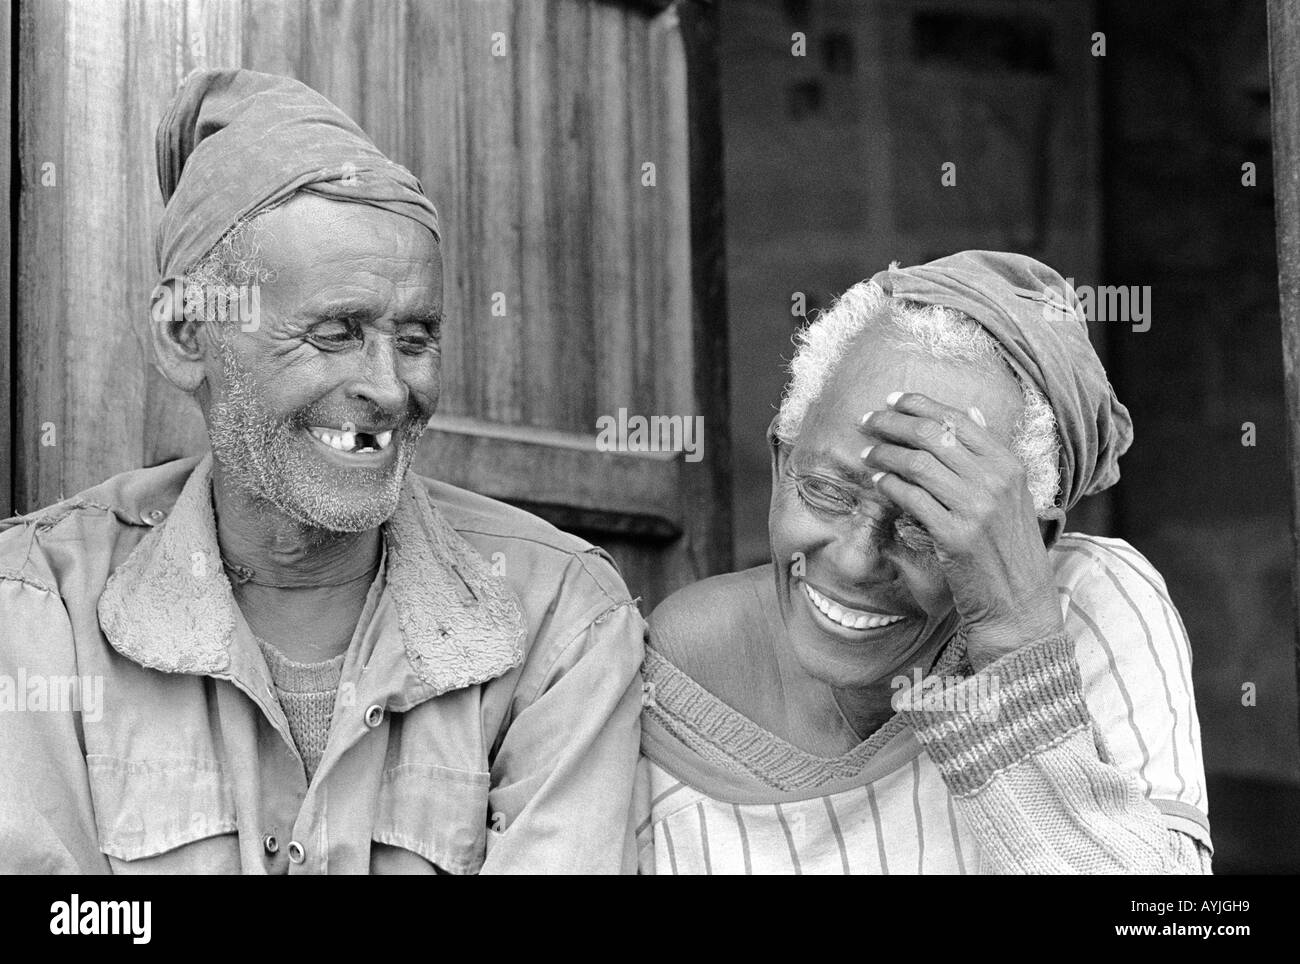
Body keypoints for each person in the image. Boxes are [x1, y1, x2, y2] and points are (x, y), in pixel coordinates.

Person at [0, 69, 644, 874]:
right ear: (184, 333)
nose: (388, 387)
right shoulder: (35, 612)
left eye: (414, 340)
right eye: (336, 333)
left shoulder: (560, 617)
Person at [635, 251, 1211, 874]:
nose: (856, 563)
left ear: (1028, 540)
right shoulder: (665, 672)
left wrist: (1016, 640)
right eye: (826, 490)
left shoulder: (1090, 606)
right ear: (782, 463)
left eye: (922, 524)